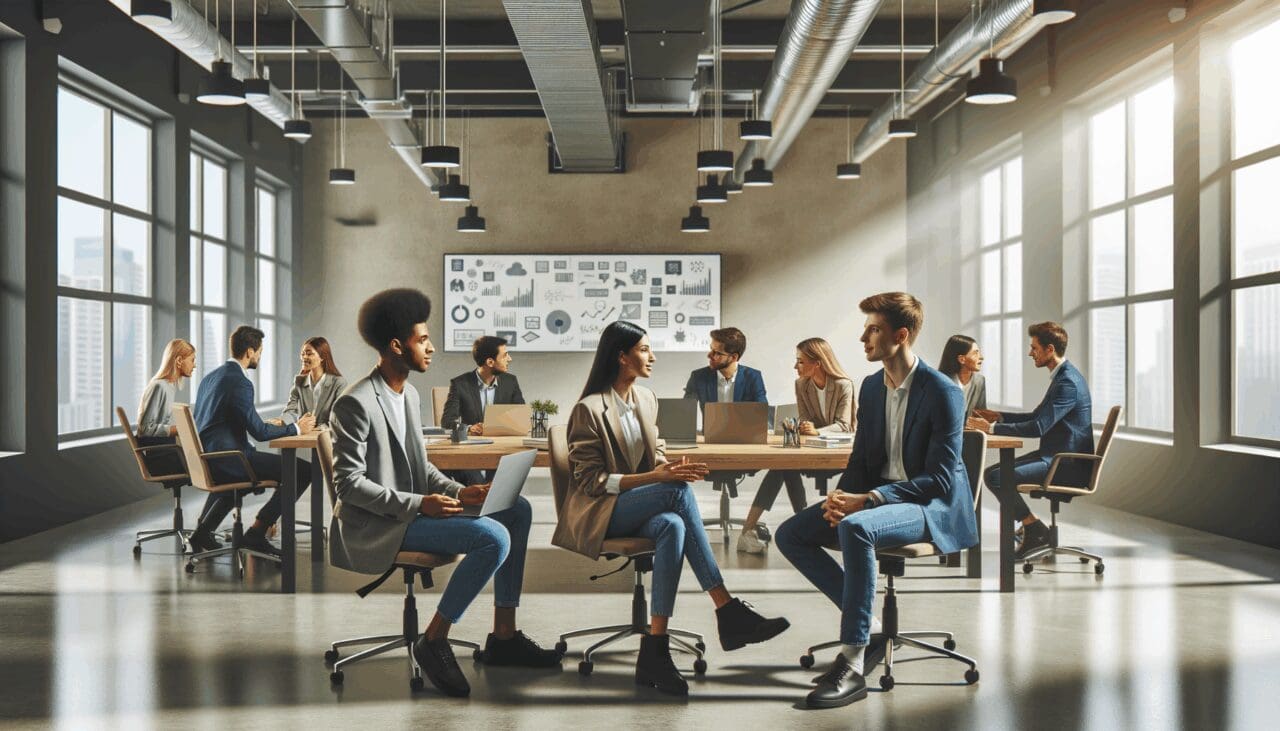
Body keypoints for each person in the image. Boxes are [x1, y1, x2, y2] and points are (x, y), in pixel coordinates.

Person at [329, 289, 560, 699]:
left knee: (517, 510)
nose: (432, 347)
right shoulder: (356, 403)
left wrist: (461, 491)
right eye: (423, 339)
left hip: (413, 513)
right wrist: (422, 503)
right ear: (396, 346)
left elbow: (422, 468)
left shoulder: (408, 394)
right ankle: (434, 639)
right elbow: (348, 485)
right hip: (380, 525)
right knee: (494, 538)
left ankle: (504, 636)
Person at [554, 320, 790, 696]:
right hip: (600, 512)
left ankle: (655, 650)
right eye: (645, 349)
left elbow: (657, 453)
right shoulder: (589, 409)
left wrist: (667, 468)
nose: (653, 356)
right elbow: (590, 482)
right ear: (622, 357)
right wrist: (659, 478)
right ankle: (727, 608)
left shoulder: (646, 399)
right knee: (677, 492)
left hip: (638, 505)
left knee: (673, 526)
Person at [776, 292, 977, 709]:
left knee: (856, 527)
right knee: (791, 534)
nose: (862, 337)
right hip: (880, 496)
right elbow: (862, 460)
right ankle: (866, 624)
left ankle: (851, 663)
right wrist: (840, 496)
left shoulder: (942, 391)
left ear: (900, 336)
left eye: (873, 329)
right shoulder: (870, 387)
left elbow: (939, 480)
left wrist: (868, 500)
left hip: (929, 505)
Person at [966, 321, 1093, 559]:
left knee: (996, 477)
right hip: (1056, 456)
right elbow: (1037, 416)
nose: (1030, 353)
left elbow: (1038, 427)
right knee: (993, 473)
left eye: (1034, 348)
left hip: (1065, 464)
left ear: (1050, 349)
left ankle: (1034, 528)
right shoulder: (1063, 376)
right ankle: (1034, 527)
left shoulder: (1067, 383)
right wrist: (1000, 416)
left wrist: (991, 428)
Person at [187, 326, 317, 556]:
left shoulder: (210, 378)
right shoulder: (240, 382)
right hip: (230, 460)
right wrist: (297, 427)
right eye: (259, 352)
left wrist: (266, 424)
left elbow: (220, 420)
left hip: (208, 457)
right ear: (249, 351)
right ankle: (257, 533)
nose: (259, 357)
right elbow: (259, 432)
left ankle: (203, 532)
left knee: (239, 483)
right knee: (304, 471)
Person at [738, 337, 855, 554]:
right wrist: (801, 426)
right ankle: (750, 530)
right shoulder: (801, 385)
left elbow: (845, 425)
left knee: (784, 467)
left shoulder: (843, 385)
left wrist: (817, 431)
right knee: (782, 466)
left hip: (837, 451)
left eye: (801, 361)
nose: (795, 366)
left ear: (817, 363)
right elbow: (805, 418)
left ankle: (799, 526)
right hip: (812, 448)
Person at [441, 335, 526, 484]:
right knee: (480, 485)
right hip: (469, 454)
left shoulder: (510, 382)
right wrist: (469, 428)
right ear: (490, 362)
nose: (509, 359)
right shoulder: (460, 384)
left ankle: (490, 495)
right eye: (505, 355)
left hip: (501, 451)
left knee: (497, 486)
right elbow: (447, 421)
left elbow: (521, 417)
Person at [135, 338, 197, 477]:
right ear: (179, 360)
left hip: (167, 452)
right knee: (210, 464)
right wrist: (178, 429)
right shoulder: (159, 386)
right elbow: (144, 429)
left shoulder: (169, 386)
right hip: (161, 459)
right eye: (192, 360)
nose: (194, 365)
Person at [683, 326, 768, 409]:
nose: (709, 355)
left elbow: (763, 413)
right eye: (711, 349)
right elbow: (685, 412)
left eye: (717, 353)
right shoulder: (698, 377)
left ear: (734, 357)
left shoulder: (753, 377)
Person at [279, 336, 347, 427]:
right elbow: (291, 410)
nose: (304, 357)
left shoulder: (339, 383)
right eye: (302, 354)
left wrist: (321, 428)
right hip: (303, 433)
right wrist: (281, 421)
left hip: (327, 433)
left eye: (309, 354)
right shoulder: (299, 381)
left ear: (322, 357)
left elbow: (339, 416)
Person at [938, 334, 986, 418]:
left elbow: (981, 413)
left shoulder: (980, 380)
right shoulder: (941, 382)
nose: (981, 357)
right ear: (962, 359)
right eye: (975, 353)